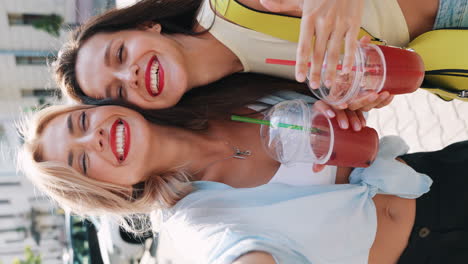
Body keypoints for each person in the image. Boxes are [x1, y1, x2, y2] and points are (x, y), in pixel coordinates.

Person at [18, 100, 468, 263]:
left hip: (437, 174)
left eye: (80, 121)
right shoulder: (191, 219)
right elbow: (230, 251)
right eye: (80, 161)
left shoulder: (214, 96)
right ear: (107, 191)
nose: (92, 137)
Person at [54, 0, 441, 112]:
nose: (130, 76)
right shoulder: (251, 104)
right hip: (448, 69)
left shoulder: (232, 4)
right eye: (118, 92)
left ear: (146, 25)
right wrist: (359, 100)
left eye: (120, 54)